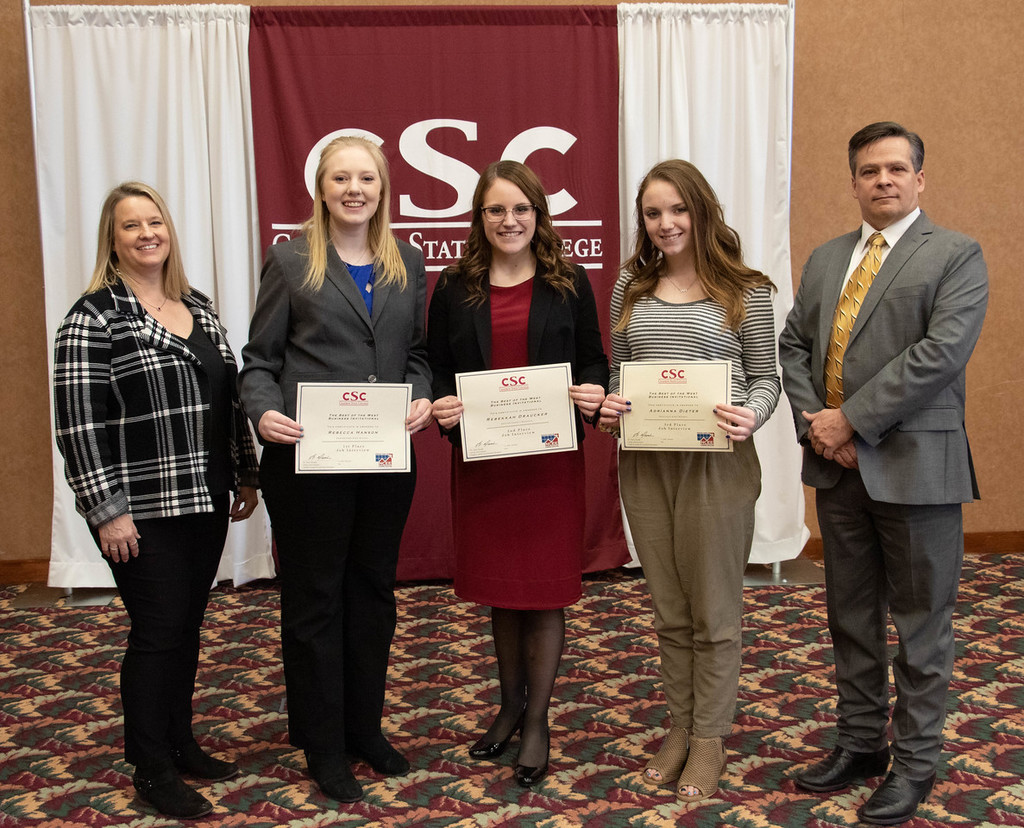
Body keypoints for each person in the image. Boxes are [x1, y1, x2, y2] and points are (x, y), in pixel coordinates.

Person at [778, 122, 988, 825]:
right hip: (839, 471)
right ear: (855, 181)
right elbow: (794, 347)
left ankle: (916, 764)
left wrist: (851, 421)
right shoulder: (827, 257)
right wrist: (818, 424)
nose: (883, 180)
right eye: (869, 171)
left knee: (922, 627)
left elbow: (939, 354)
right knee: (851, 619)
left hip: (917, 468)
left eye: (897, 168)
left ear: (920, 179)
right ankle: (861, 742)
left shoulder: (956, 255)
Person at [52, 182, 260, 819]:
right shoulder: (93, 317)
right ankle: (150, 766)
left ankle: (179, 742)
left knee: (185, 630)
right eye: (130, 226)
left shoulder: (197, 306)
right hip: (140, 508)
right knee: (158, 634)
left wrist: (247, 473)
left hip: (205, 496)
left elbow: (228, 399)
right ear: (111, 240)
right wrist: (105, 508)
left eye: (155, 222)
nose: (146, 234)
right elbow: (78, 423)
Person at [238, 135, 432, 804]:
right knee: (315, 600)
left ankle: (364, 730)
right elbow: (258, 360)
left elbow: (417, 354)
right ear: (321, 188)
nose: (356, 189)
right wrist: (262, 413)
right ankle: (322, 744)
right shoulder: (291, 260)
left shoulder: (407, 259)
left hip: (384, 456)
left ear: (384, 189)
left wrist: (423, 394)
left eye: (368, 179)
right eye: (342, 178)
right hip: (307, 461)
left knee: (373, 594)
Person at [599, 160, 780, 802]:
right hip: (647, 462)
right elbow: (619, 373)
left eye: (678, 209)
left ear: (702, 211)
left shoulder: (746, 289)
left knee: (715, 612)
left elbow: (767, 379)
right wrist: (610, 406)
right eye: (653, 213)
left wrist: (749, 416)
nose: (667, 223)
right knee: (670, 608)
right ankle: (679, 726)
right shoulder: (630, 286)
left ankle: (710, 737)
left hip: (717, 464)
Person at [427, 160, 608, 787]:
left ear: (539, 215)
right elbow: (437, 369)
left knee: (545, 591)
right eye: (497, 210)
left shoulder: (570, 283)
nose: (510, 221)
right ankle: (507, 706)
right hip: (483, 464)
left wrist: (591, 392)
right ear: (479, 218)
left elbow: (595, 362)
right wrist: (443, 409)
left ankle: (538, 722)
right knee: (502, 591)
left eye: (522, 209)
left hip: (549, 465)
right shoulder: (454, 285)